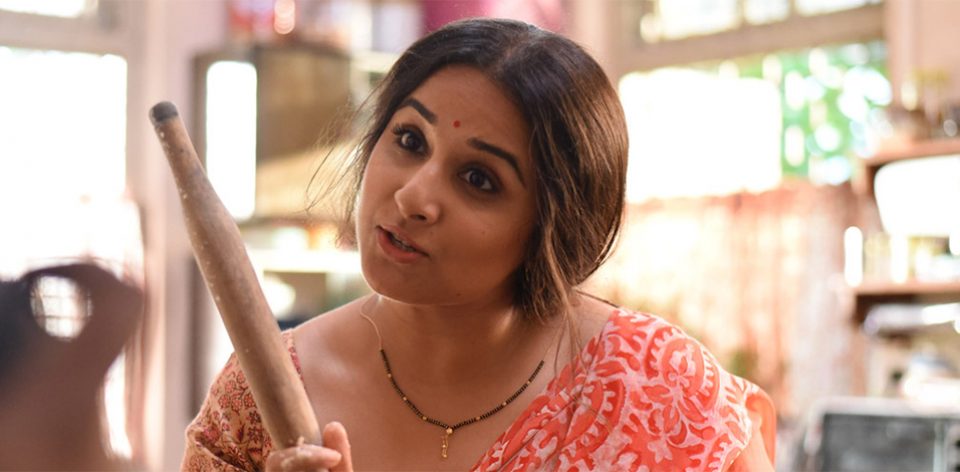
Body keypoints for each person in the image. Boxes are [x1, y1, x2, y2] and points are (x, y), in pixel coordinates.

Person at [183, 17, 776, 471]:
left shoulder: (660, 392)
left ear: (552, 228)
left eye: (478, 179)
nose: (414, 196)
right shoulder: (259, 401)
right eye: (409, 140)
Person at [0, 262, 143, 471]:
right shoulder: (50, 403)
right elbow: (121, 300)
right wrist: (38, 274)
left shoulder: (34, 412)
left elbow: (122, 302)